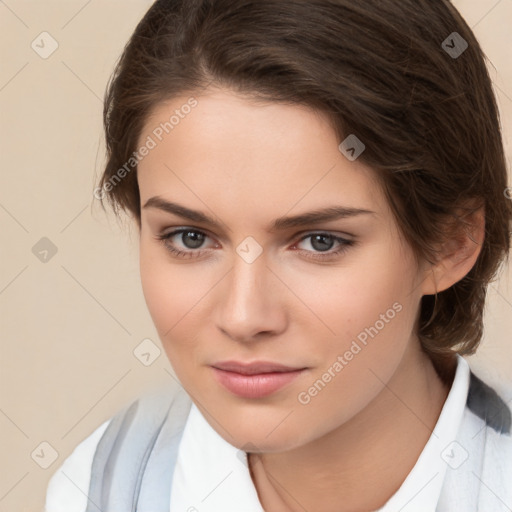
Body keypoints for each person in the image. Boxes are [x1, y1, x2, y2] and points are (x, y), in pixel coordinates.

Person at [45, 0, 512, 510]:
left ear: (451, 242)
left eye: (319, 241)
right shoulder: (97, 489)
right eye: (191, 238)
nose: (244, 317)